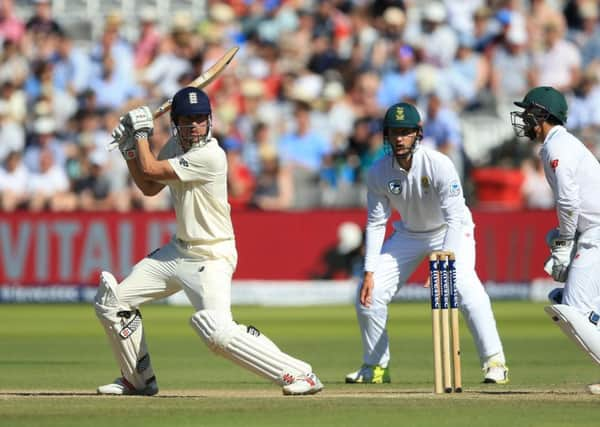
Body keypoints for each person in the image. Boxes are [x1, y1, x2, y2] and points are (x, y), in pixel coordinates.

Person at [95, 87, 323, 396]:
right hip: (178, 251)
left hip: (211, 254)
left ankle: (300, 374)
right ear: (176, 122)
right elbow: (149, 186)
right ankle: (138, 380)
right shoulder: (175, 145)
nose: (194, 126)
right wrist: (130, 148)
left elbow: (150, 169)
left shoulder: (211, 155)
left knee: (216, 331)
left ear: (210, 121)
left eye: (200, 119)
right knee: (113, 302)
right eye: (187, 119)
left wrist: (141, 133)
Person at [345, 102, 508, 385]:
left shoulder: (439, 164)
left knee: (465, 287)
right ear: (386, 135)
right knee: (368, 294)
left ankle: (494, 361)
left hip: (451, 230)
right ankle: (375, 367)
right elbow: (375, 222)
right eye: (394, 132)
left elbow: (455, 218)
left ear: (418, 133)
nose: (399, 138)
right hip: (409, 234)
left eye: (406, 132)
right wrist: (369, 270)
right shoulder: (379, 172)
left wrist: (442, 264)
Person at [511, 86, 600, 395]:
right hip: (592, 231)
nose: (523, 119)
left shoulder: (557, 148)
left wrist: (563, 244)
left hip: (597, 232)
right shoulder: (557, 144)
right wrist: (565, 237)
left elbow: (569, 202)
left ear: (542, 116)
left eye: (527, 113)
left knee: (571, 309)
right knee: (570, 304)